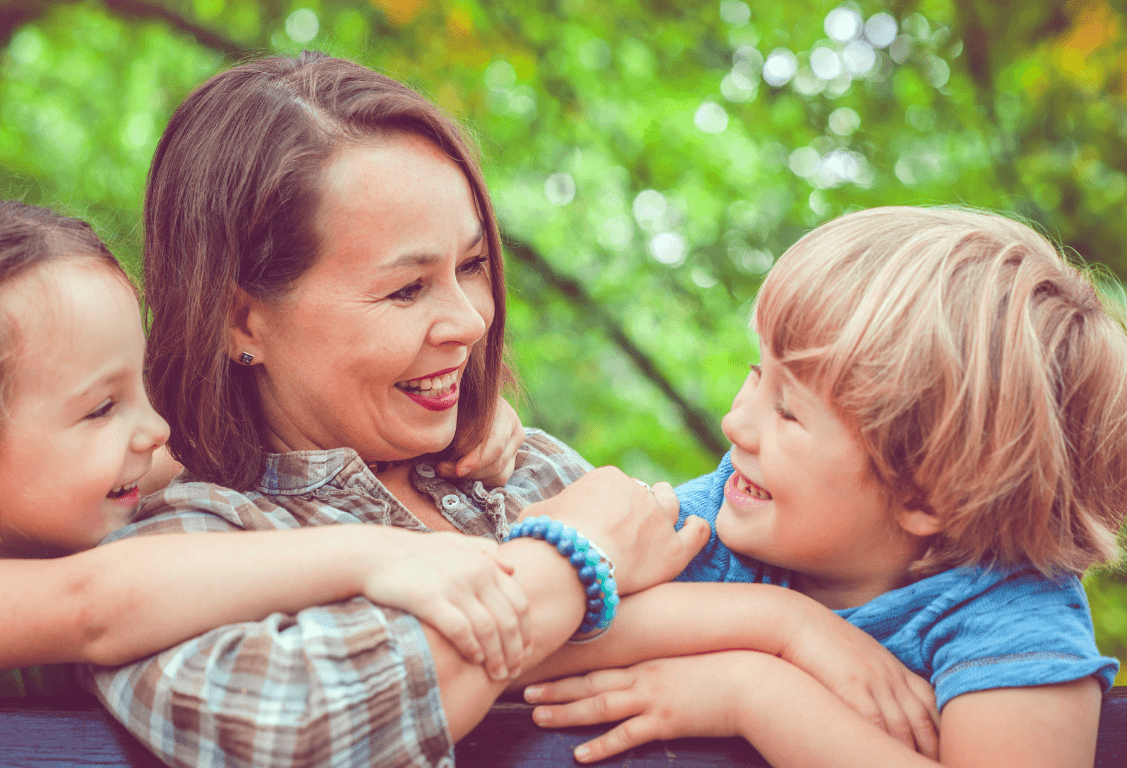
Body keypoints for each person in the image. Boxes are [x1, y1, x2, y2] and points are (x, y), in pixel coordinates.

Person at [82, 51, 715, 768]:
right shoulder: (179, 544)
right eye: (406, 289)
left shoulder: (529, 471)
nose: (470, 322)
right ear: (241, 321)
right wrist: (570, 559)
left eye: (471, 266)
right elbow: (298, 735)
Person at [0, 194, 549, 700]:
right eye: (102, 407)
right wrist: (376, 554)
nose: (153, 430)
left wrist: (455, 427)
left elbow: (252, 438)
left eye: (141, 389)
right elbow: (95, 605)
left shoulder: (83, 480)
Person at [523, 207, 1127, 768]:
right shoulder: (718, 520)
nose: (735, 423)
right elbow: (520, 642)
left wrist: (754, 695)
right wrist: (780, 625)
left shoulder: (1008, 615)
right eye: (756, 375)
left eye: (788, 411)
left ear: (923, 496)